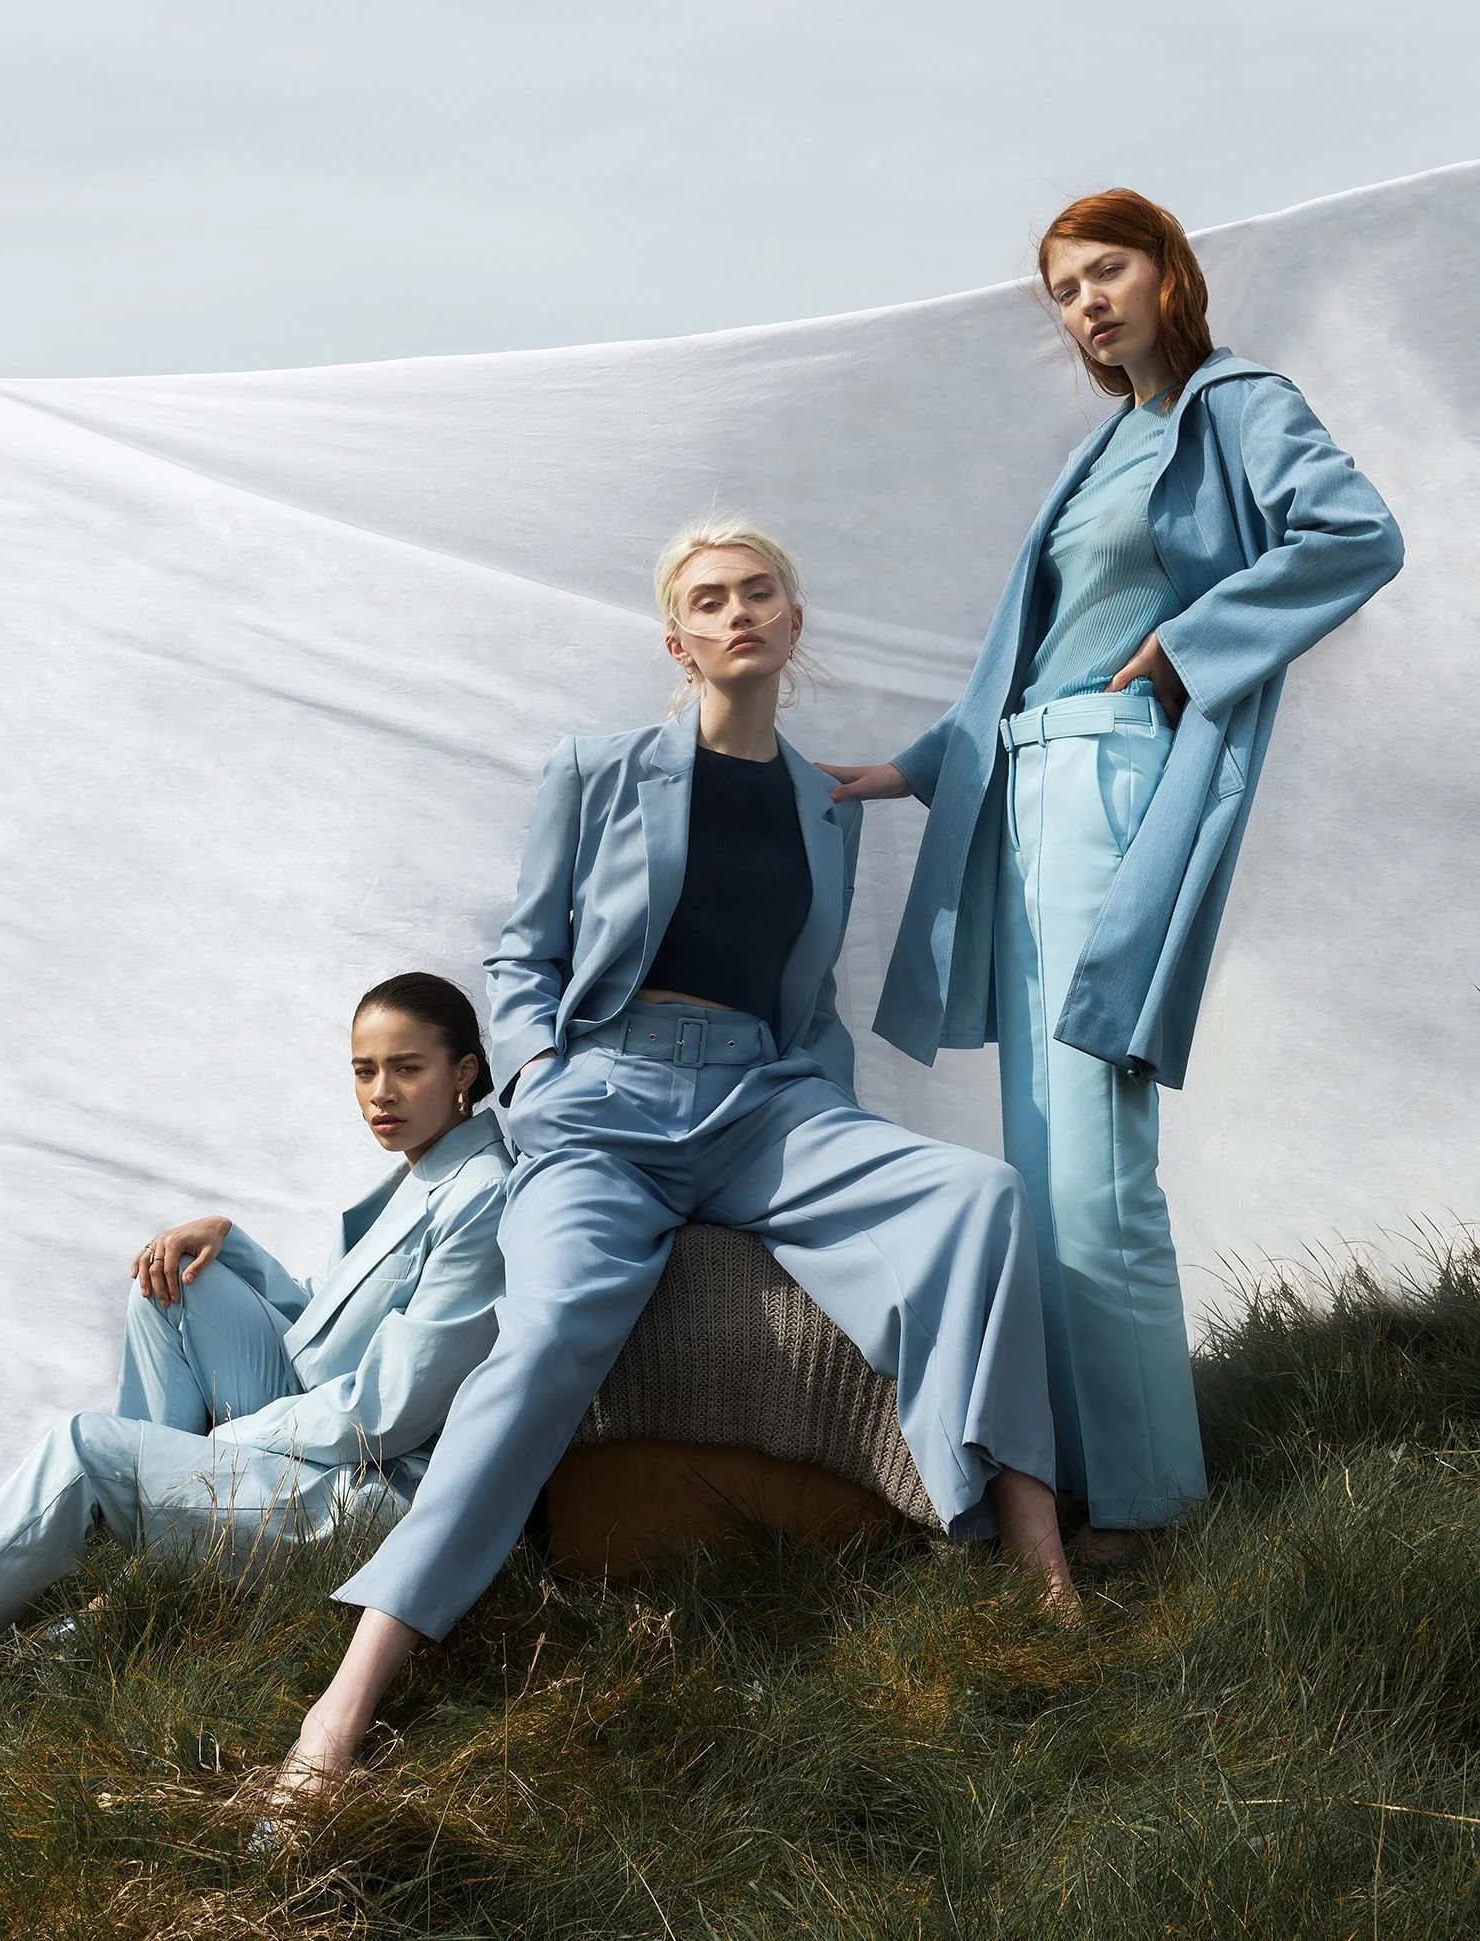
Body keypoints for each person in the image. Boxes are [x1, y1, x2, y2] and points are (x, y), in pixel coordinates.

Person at [269, 519, 1077, 1807]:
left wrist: (822, 1115)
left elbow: (810, 998)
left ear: (793, 624)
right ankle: (349, 1693)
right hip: (608, 1098)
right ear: (678, 638)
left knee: (975, 1194)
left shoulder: (824, 802)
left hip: (764, 1095)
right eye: (711, 599)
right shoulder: (597, 769)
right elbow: (525, 957)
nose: (740, 611)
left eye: (762, 592)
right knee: (545, 1340)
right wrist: (541, 1082)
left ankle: (1034, 1563)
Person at [821, 189, 1404, 1562]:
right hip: (1022, 787)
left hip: (1105, 784)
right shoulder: (1103, 452)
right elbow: (1033, 653)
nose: (1086, 300)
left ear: (1166, 273)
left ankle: (1151, 1507)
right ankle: (1078, 1484)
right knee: (1040, 1154)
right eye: (1064, 287)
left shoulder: (1237, 403)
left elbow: (1356, 535)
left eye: (1106, 270)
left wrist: (1193, 643)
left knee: (1094, 1162)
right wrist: (910, 769)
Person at [0, 972, 509, 1647]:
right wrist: (231, 1242)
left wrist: (237, 1436)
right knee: (170, 1283)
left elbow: (390, 1411)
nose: (381, 1092)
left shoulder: (479, 1197)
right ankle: (130, 1561)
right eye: (364, 1069)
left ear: (464, 1070)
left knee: (84, 1449)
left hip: (371, 1489)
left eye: (407, 1068)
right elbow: (334, 1317)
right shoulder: (429, 1164)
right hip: (326, 1418)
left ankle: (122, 1506)